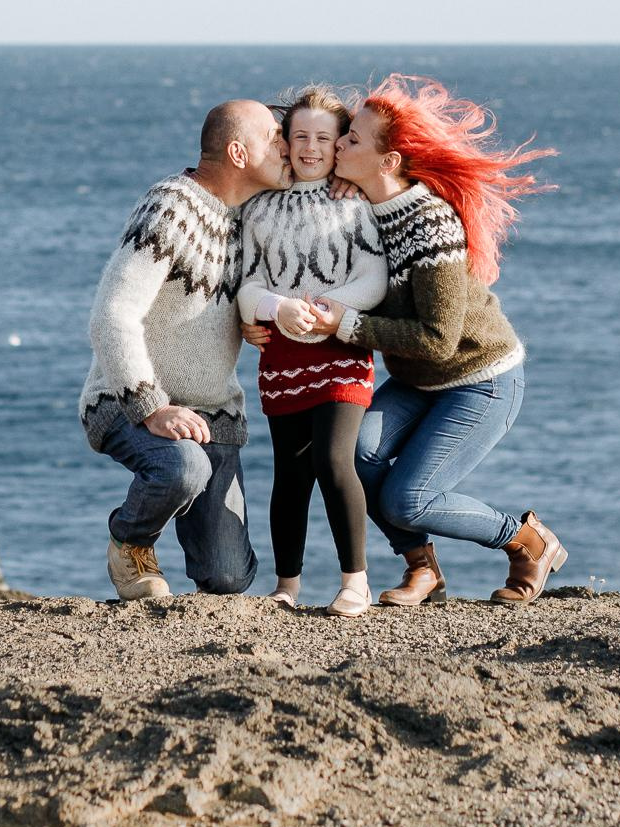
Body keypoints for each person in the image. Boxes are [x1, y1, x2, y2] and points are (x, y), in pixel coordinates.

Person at [275, 74, 563, 605]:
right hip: (417, 378)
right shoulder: (363, 205)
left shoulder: (429, 225)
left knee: (410, 499)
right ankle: (422, 568)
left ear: (388, 163)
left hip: (479, 380)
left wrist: (344, 323)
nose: (338, 143)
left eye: (352, 140)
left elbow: (437, 339)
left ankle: (526, 540)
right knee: (355, 457)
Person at [79, 99, 287, 600]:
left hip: (215, 417)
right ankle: (130, 541)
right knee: (181, 467)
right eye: (275, 137)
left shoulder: (257, 215)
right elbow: (113, 312)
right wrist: (152, 407)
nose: (286, 147)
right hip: (128, 402)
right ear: (239, 152)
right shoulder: (171, 205)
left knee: (227, 579)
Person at [234, 85, 388, 616]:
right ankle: (288, 586)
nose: (311, 148)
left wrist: (328, 311)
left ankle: (355, 582)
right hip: (282, 355)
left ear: (339, 142)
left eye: (323, 137)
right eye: (299, 136)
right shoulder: (258, 208)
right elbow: (246, 286)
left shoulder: (356, 201)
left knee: (331, 459)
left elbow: (374, 277)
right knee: (290, 472)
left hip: (340, 346)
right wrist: (275, 308)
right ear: (286, 141)